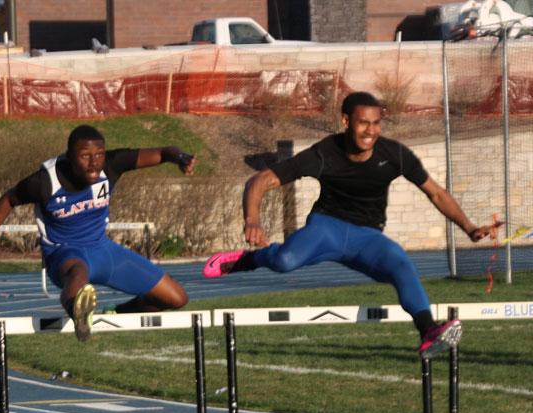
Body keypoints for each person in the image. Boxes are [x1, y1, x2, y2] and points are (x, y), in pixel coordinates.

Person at [204, 91, 499, 358]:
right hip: (326, 229)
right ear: (346, 121)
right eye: (363, 123)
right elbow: (261, 180)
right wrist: (252, 221)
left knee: (401, 264)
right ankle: (249, 260)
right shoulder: (325, 153)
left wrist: (469, 228)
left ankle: (428, 332)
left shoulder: (394, 154)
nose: (371, 131)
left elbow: (436, 192)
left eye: (376, 123)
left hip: (367, 238)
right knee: (284, 260)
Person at [0, 125, 194, 341]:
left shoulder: (112, 164)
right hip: (63, 253)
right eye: (85, 156)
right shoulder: (45, 182)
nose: (94, 163)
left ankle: (120, 312)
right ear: (70, 156)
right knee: (79, 272)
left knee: (176, 298)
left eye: (99, 155)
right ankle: (78, 312)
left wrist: (180, 157)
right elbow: (8, 200)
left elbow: (163, 152)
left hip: (103, 251)